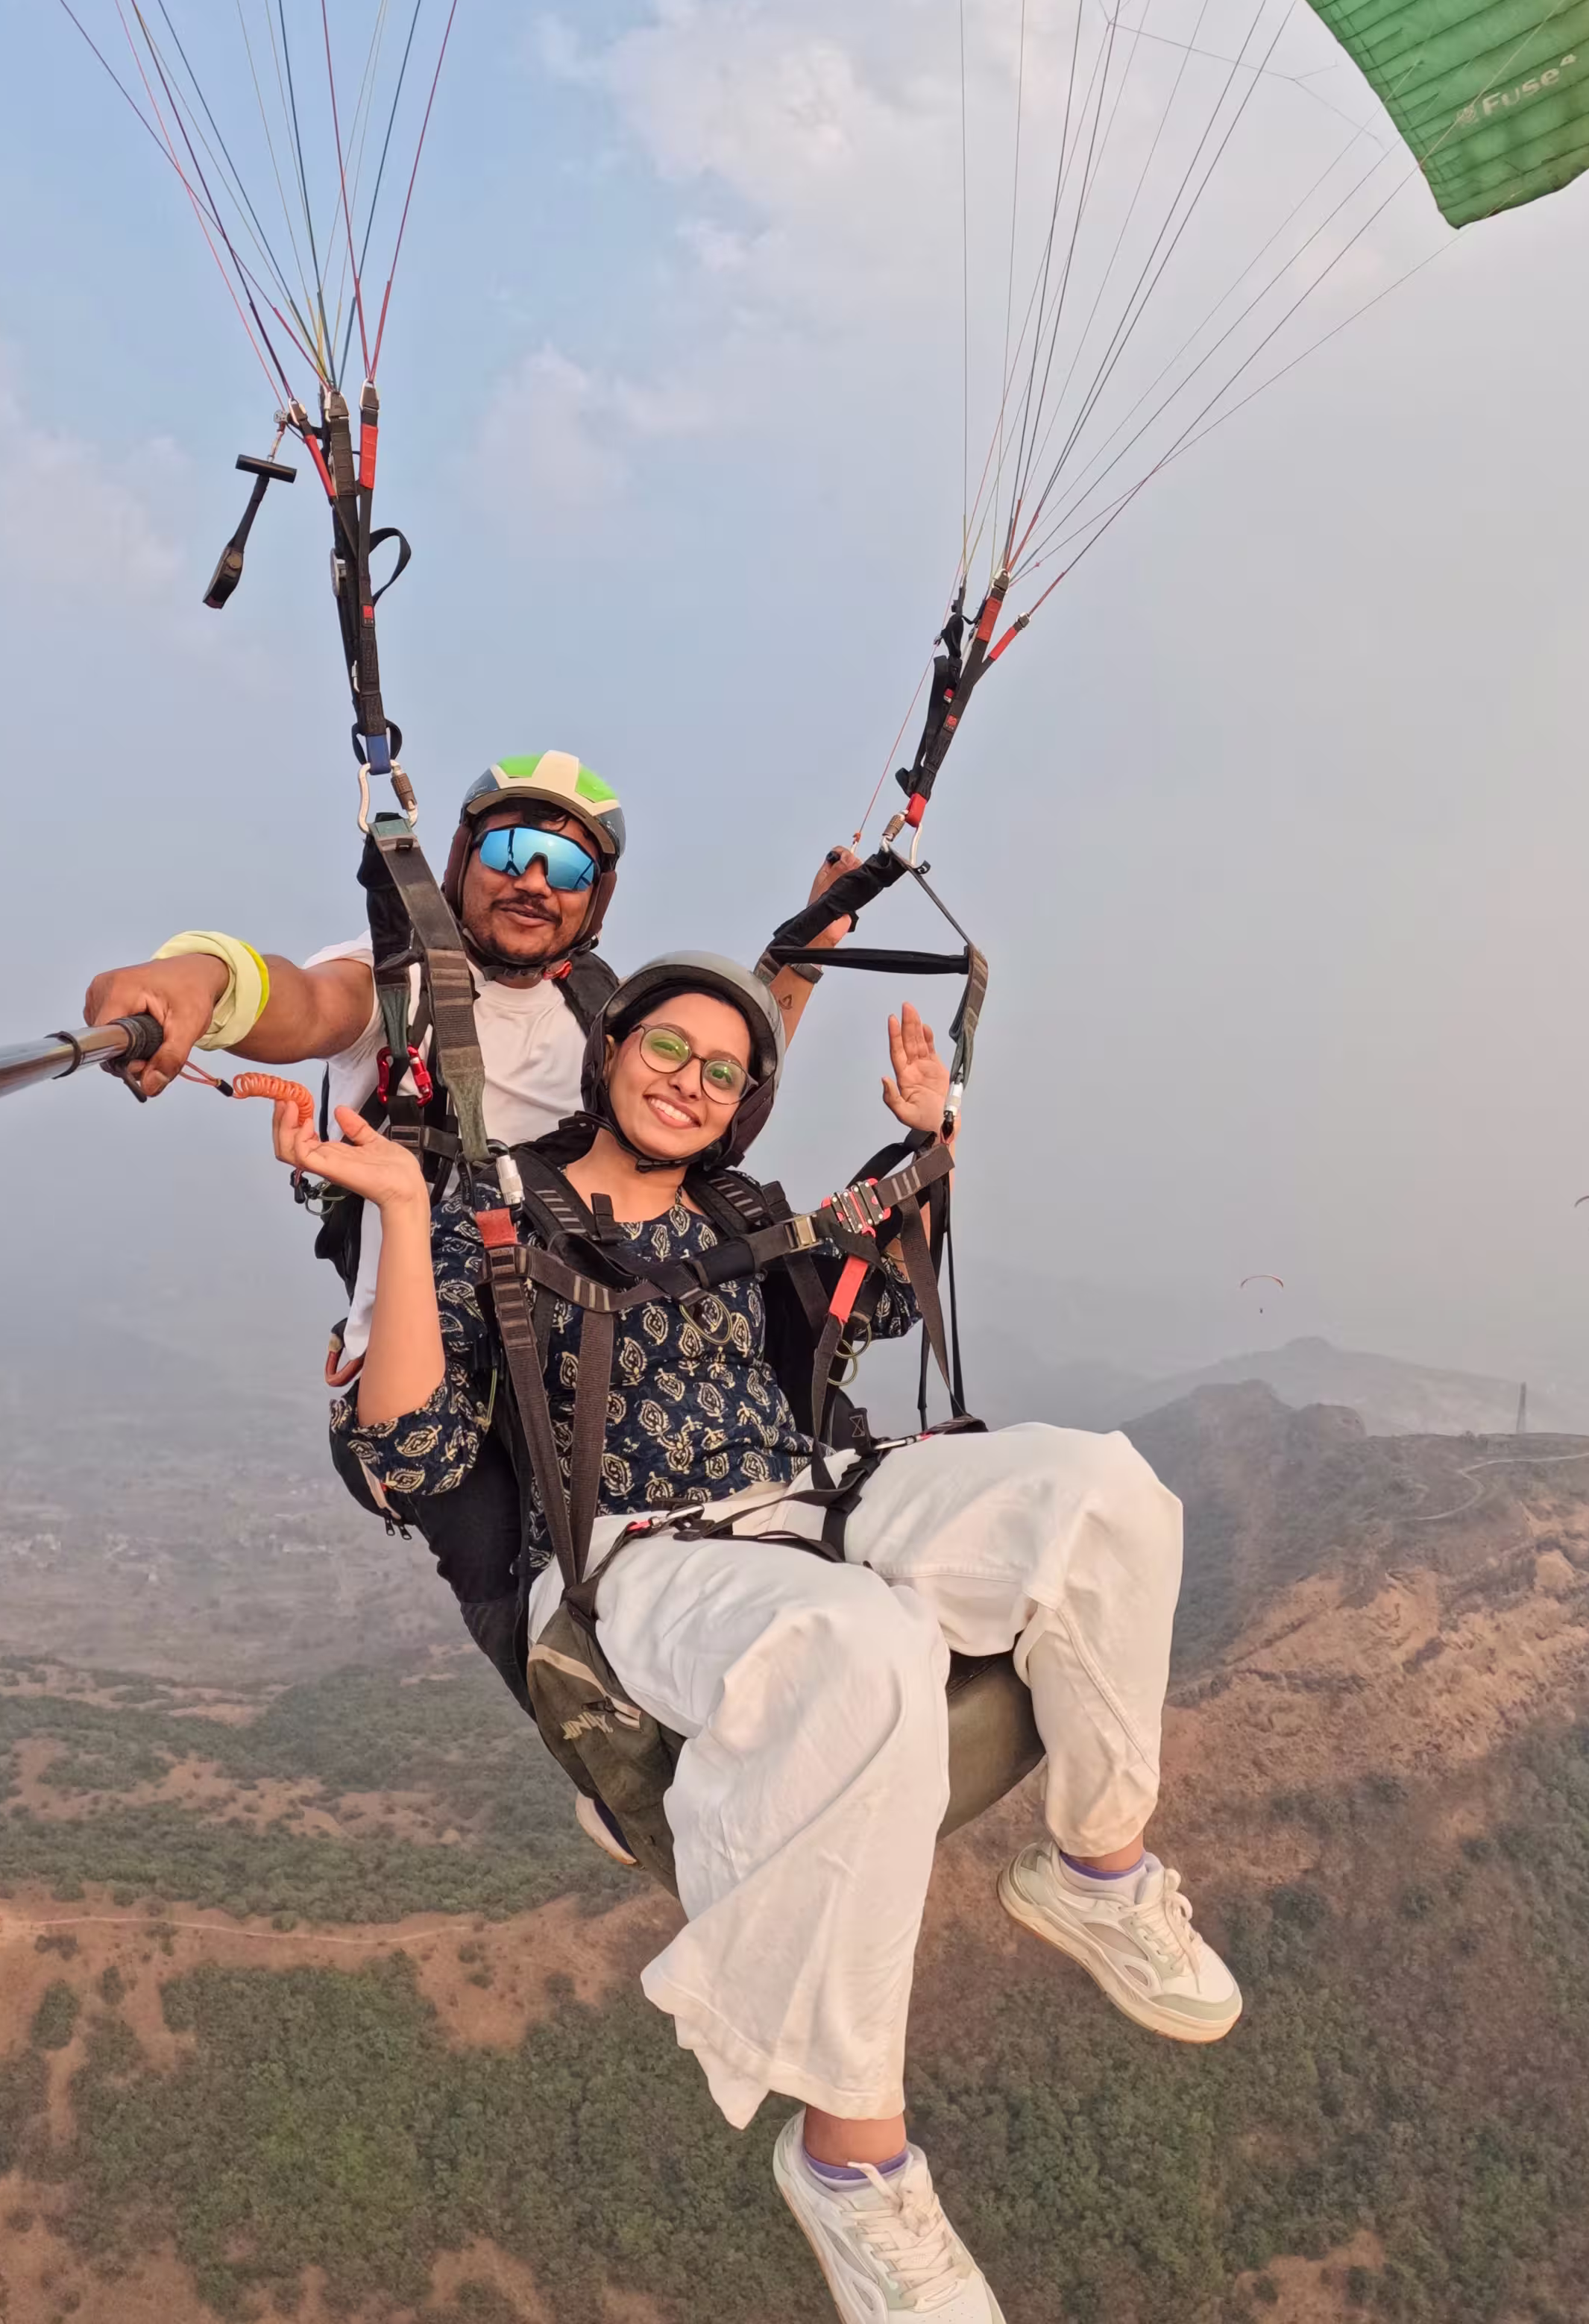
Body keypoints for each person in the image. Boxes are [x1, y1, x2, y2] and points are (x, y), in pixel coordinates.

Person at [265, 952, 1242, 2324]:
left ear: (744, 1104)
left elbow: (878, 1303)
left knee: (1105, 1492)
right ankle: (855, 2161)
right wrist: (400, 1205)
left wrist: (927, 1142)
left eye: (724, 1070)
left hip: (818, 1490)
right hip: (642, 1554)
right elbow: (415, 1444)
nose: (689, 1081)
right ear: (611, 1053)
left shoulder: (742, 1209)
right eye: (668, 1049)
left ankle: (1101, 1860)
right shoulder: (495, 1212)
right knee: (867, 1650)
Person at [81, 750, 847, 1376]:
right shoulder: (399, 979)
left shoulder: (603, 1008)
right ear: (461, 860)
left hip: (575, 1350)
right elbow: (309, 1003)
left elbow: (711, 1086)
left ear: (596, 899)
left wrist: (804, 951)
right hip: (426, 1370)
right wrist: (205, 978)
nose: (535, 882)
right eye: (512, 851)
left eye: (569, 869)